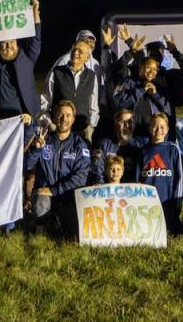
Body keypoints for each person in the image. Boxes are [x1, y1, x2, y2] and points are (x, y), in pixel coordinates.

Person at [23, 101, 91, 238]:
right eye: (60, 114)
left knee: (72, 234)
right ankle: (40, 232)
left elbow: (80, 179)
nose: (64, 119)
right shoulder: (44, 139)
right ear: (54, 117)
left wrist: (54, 190)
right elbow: (26, 166)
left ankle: (60, 226)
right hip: (44, 194)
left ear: (73, 119)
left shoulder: (80, 145)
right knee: (41, 201)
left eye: (68, 115)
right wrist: (36, 150)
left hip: (68, 195)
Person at [134, 113, 183, 233]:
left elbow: (179, 178)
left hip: (168, 203)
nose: (158, 130)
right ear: (149, 128)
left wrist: (177, 203)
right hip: (147, 204)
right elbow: (137, 180)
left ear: (167, 129)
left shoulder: (173, 149)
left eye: (162, 127)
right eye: (155, 126)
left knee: (171, 231)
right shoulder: (143, 151)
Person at [42, 40, 99, 142]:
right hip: (59, 130)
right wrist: (49, 123)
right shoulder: (56, 72)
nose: (75, 53)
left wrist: (90, 127)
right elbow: (45, 102)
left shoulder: (92, 76)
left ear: (87, 58)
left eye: (80, 51)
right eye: (74, 49)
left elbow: (93, 106)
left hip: (82, 133)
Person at [112, 58, 172, 141]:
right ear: (140, 67)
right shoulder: (129, 82)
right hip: (132, 134)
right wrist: (141, 90)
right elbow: (120, 103)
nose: (151, 71)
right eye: (148, 67)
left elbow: (167, 110)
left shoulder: (159, 87)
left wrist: (155, 95)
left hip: (152, 136)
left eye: (154, 69)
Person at [90, 109, 145, 185]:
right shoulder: (102, 144)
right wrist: (101, 187)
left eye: (129, 122)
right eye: (122, 122)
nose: (126, 126)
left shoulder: (139, 148)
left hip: (130, 191)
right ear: (116, 124)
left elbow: (141, 173)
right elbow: (96, 169)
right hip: (107, 189)